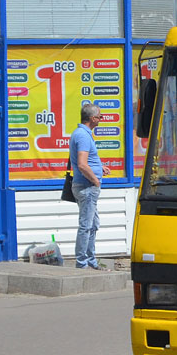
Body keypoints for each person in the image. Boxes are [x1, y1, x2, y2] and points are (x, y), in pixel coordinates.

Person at [70, 103, 110, 270]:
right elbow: (82, 164)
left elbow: (86, 161)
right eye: (100, 117)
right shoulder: (83, 136)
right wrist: (96, 180)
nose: (101, 119)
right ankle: (82, 263)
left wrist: (99, 167)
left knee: (93, 225)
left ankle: (91, 260)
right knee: (86, 226)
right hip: (87, 187)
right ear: (92, 118)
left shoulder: (82, 134)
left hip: (87, 186)